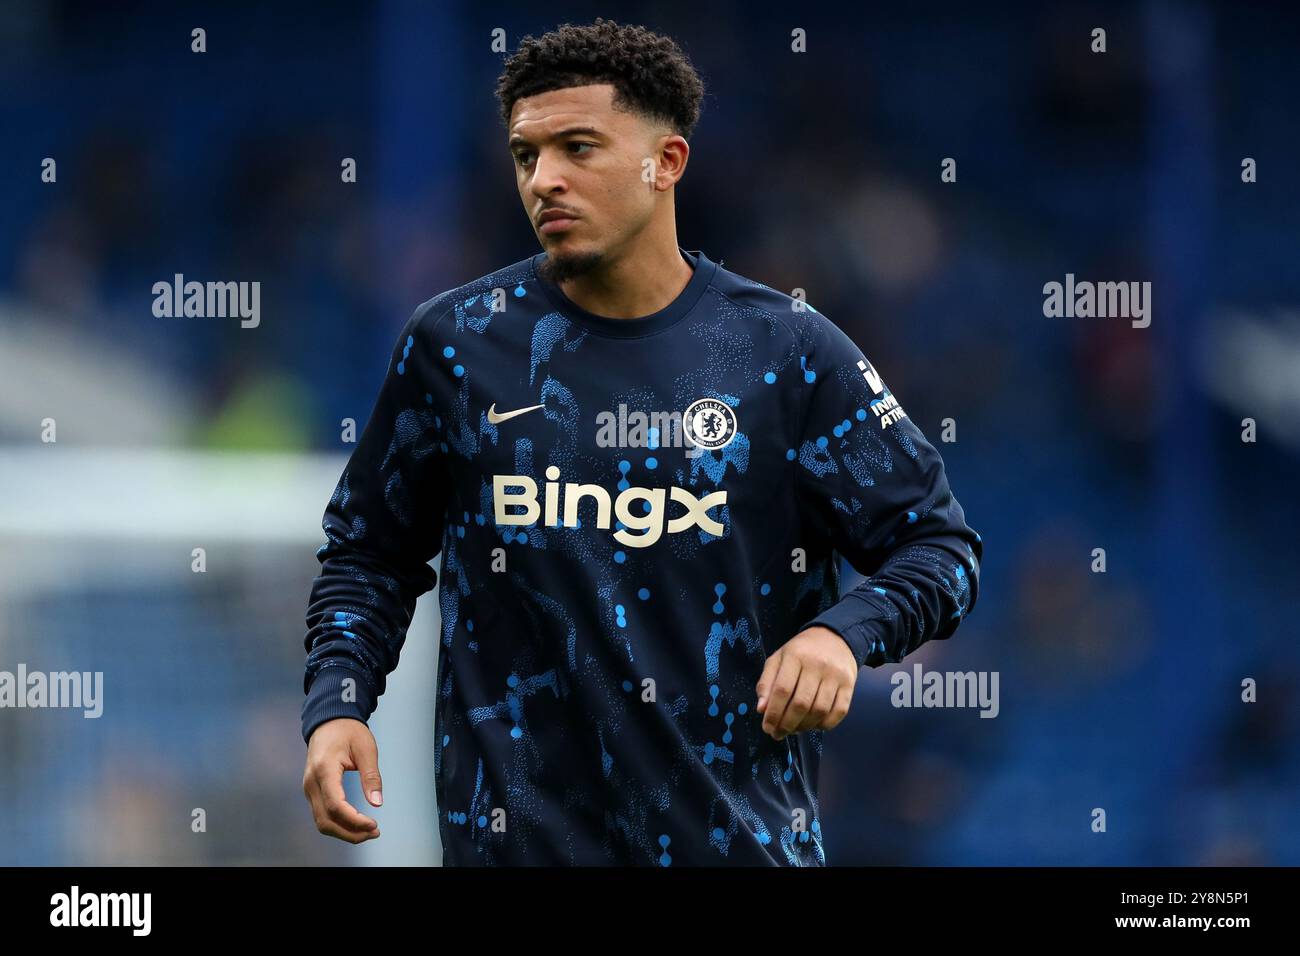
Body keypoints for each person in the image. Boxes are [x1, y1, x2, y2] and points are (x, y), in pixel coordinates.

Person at [300, 17, 981, 865]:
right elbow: (369, 552)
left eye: (578, 147)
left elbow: (940, 549)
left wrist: (843, 633)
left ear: (667, 163)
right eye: (525, 155)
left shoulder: (787, 354)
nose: (544, 179)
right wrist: (337, 703)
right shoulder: (455, 345)